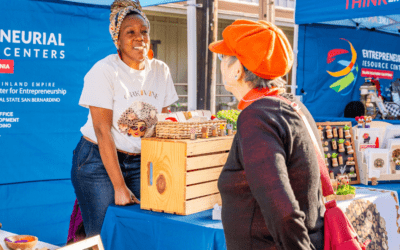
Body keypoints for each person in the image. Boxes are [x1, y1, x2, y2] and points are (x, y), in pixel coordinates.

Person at [209, 20, 325, 250]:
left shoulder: (257, 118)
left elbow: (281, 210)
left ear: (238, 70)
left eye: (224, 58)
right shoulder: (294, 107)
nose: (220, 64)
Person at [70, 0, 178, 238]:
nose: (139, 38)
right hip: (97, 159)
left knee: (138, 232)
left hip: (140, 160)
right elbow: (102, 130)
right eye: (130, 32)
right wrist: (119, 187)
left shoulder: (160, 70)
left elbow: (164, 123)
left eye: (144, 31)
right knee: (104, 235)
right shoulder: (104, 71)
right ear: (117, 40)